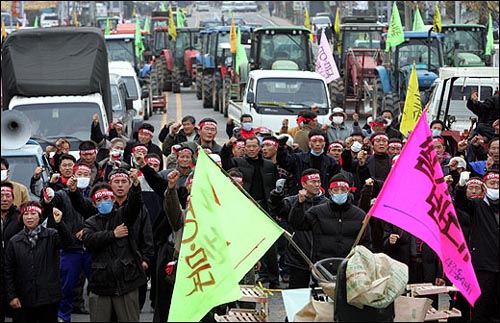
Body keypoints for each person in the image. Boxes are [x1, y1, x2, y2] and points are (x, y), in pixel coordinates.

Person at [82, 176, 147, 322]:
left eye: (106, 198)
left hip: (126, 282)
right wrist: (113, 234)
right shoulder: (90, 222)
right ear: (94, 204)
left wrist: (136, 186)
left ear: (113, 199)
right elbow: (89, 240)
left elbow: (135, 205)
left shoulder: (123, 215)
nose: (103, 202)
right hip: (101, 284)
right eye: (99, 200)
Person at [4, 202, 72, 323]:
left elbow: (68, 243)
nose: (29, 217)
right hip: (23, 299)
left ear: (40, 216)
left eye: (33, 213)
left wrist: (60, 224)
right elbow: (8, 270)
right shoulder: (14, 241)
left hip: (49, 298)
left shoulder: (51, 235)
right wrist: (11, 296)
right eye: (26, 214)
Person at [289, 173, 371, 264]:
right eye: (336, 190)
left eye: (343, 190)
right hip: (322, 267)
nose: (339, 193)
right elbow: (297, 224)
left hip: (349, 267)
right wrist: (299, 204)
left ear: (348, 191)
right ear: (330, 191)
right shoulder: (317, 212)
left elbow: (366, 241)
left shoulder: (359, 215)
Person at [269, 169, 329, 289]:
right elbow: (278, 209)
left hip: (321, 257)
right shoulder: (292, 201)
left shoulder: (327, 203)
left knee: (323, 293)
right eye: (313, 182)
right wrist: (277, 194)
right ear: (304, 184)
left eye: (318, 181)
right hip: (298, 255)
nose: (317, 185)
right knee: (298, 292)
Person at [454, 169, 499, 322]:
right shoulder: (477, 205)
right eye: (492, 183)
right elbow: (461, 202)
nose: (496, 187)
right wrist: (460, 187)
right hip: (483, 266)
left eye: (499, 184)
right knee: (481, 309)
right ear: (485, 187)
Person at [277, 129, 340, 196]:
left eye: (320, 141)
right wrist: (281, 147)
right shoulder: (298, 158)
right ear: (309, 142)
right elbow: (284, 162)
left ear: (324, 143)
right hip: (301, 197)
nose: (317, 144)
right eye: (314, 141)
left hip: (323, 198)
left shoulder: (331, 162)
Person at [1, 182, 23, 322]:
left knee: (18, 312)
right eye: (1, 196)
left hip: (15, 270)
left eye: (7, 196)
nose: (4, 199)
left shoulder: (20, 216)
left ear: (13, 198)